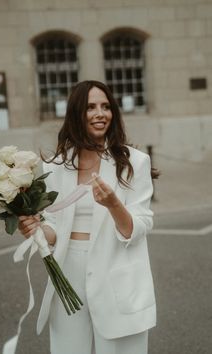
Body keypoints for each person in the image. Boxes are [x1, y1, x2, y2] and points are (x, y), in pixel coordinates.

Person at [19, 80, 158, 354]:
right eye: (91, 107)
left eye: (106, 107)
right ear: (76, 113)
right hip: (67, 270)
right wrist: (35, 228)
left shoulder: (134, 162)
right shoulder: (55, 165)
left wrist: (114, 204)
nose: (100, 113)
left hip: (116, 267)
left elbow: (140, 226)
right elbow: (54, 228)